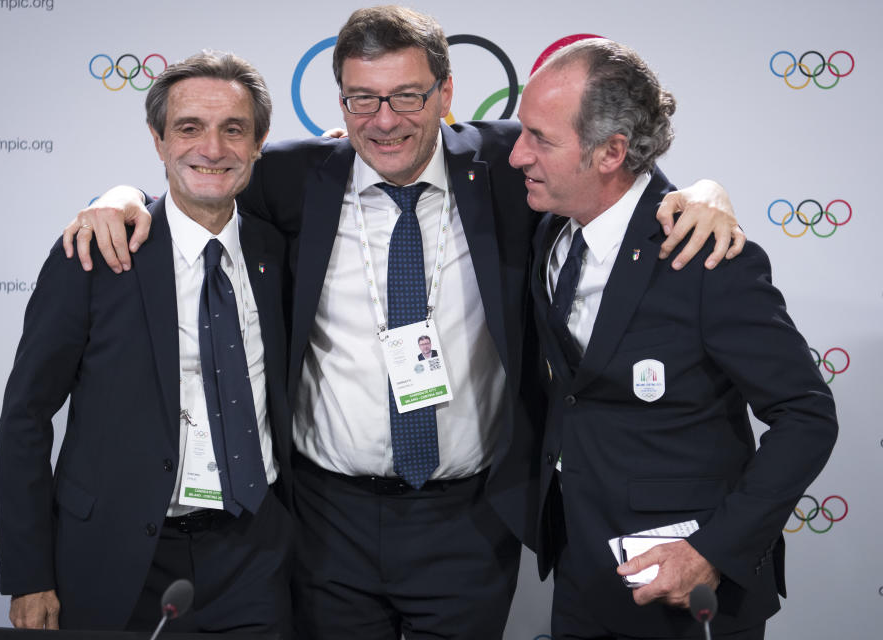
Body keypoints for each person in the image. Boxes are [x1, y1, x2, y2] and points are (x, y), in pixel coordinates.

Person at [62, 7, 744, 639]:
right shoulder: (296, 178)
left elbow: (613, 175)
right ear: (342, 103)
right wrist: (115, 197)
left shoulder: (511, 167)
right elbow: (193, 185)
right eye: (363, 98)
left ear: (447, 95)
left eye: (407, 96)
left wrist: (704, 193)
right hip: (329, 524)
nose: (384, 120)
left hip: (469, 523)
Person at [512, 38, 838, 639]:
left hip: (689, 591)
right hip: (580, 576)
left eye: (540, 139)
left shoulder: (706, 256)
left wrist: (710, 552)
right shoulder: (550, 231)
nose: (516, 155)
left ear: (611, 152)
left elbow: (806, 416)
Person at [0, 51, 293, 634]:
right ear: (157, 140)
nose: (212, 148)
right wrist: (28, 574)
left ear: (259, 143)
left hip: (255, 557)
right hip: (116, 555)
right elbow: (26, 415)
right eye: (189, 128)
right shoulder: (93, 255)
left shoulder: (279, 251)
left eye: (234, 129)